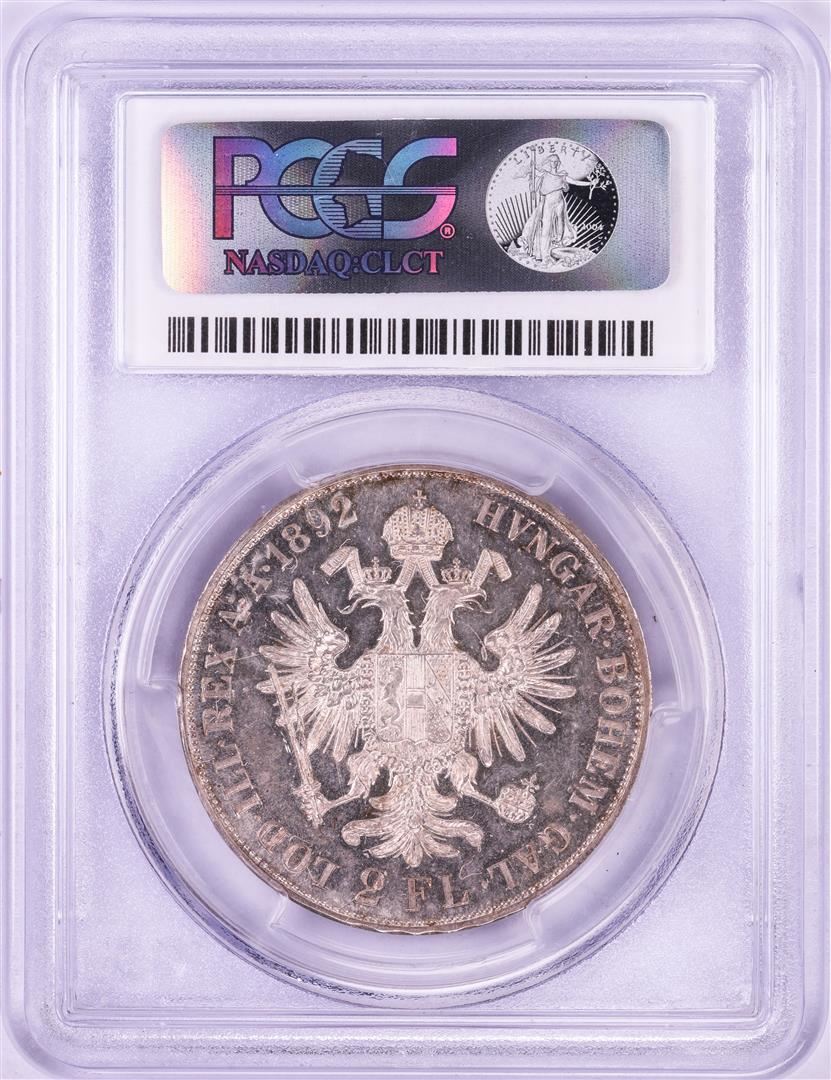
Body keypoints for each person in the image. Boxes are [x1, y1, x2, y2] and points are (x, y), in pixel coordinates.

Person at [515, 153, 594, 264]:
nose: (554, 163)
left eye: (556, 161)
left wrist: (590, 183)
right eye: (552, 161)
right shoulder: (544, 174)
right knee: (546, 228)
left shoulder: (562, 176)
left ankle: (557, 248)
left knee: (560, 225)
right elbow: (532, 171)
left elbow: (575, 182)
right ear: (548, 162)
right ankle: (545, 255)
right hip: (548, 202)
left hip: (560, 202)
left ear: (558, 163)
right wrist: (531, 167)